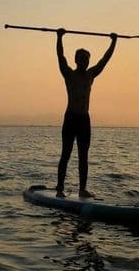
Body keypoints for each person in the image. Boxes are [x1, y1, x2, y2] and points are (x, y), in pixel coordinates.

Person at [54, 27, 117, 198]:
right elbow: (60, 56)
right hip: (71, 118)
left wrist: (113, 41)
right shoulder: (68, 74)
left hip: (84, 120)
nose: (84, 61)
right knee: (65, 154)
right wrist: (59, 37)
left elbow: (105, 60)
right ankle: (59, 189)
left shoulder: (91, 75)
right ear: (76, 60)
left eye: (87, 59)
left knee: (84, 156)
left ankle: (82, 189)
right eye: (81, 58)